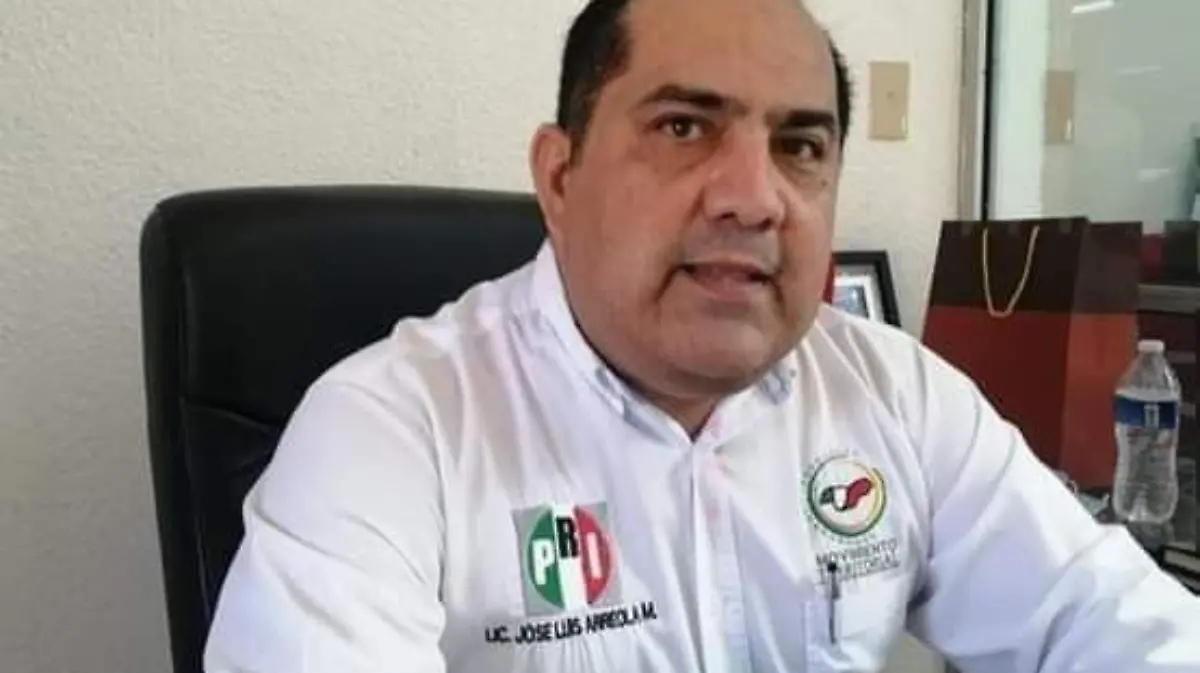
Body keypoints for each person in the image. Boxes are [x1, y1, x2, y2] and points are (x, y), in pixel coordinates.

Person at [203, 0, 1200, 670]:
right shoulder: (388, 430)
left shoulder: (897, 393)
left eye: (799, 145)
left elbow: (1108, 619)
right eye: (684, 127)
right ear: (560, 177)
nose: (753, 197)